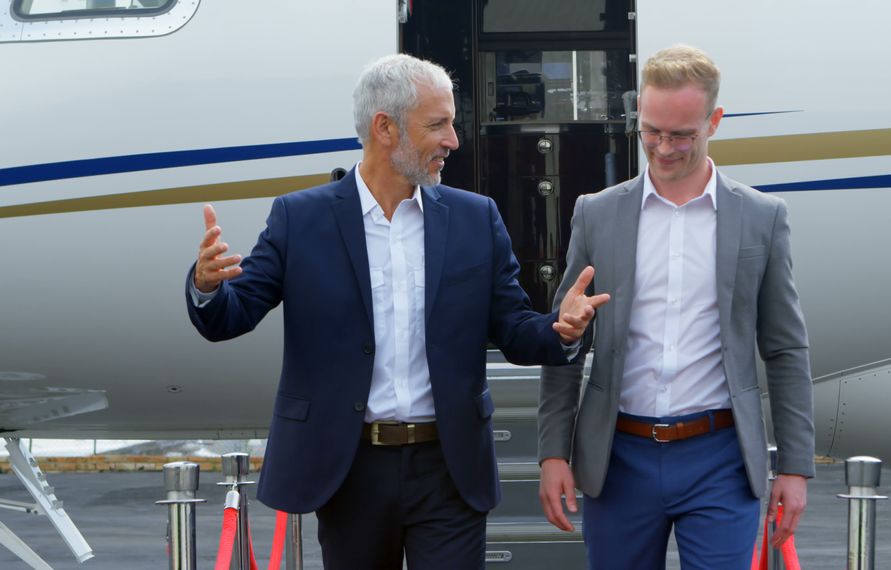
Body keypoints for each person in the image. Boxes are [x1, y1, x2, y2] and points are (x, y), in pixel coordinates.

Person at [186, 53, 608, 570]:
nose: (453, 140)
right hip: (349, 468)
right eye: (438, 125)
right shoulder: (300, 219)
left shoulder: (476, 219)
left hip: (448, 468)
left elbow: (515, 330)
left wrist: (562, 330)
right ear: (384, 128)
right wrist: (207, 286)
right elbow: (232, 316)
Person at [536, 45, 814, 569]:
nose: (663, 149)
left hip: (721, 460)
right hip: (618, 458)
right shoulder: (596, 215)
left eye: (681, 135)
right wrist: (553, 452)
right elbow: (565, 338)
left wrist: (795, 467)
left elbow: (785, 349)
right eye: (651, 131)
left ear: (714, 121)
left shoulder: (762, 218)